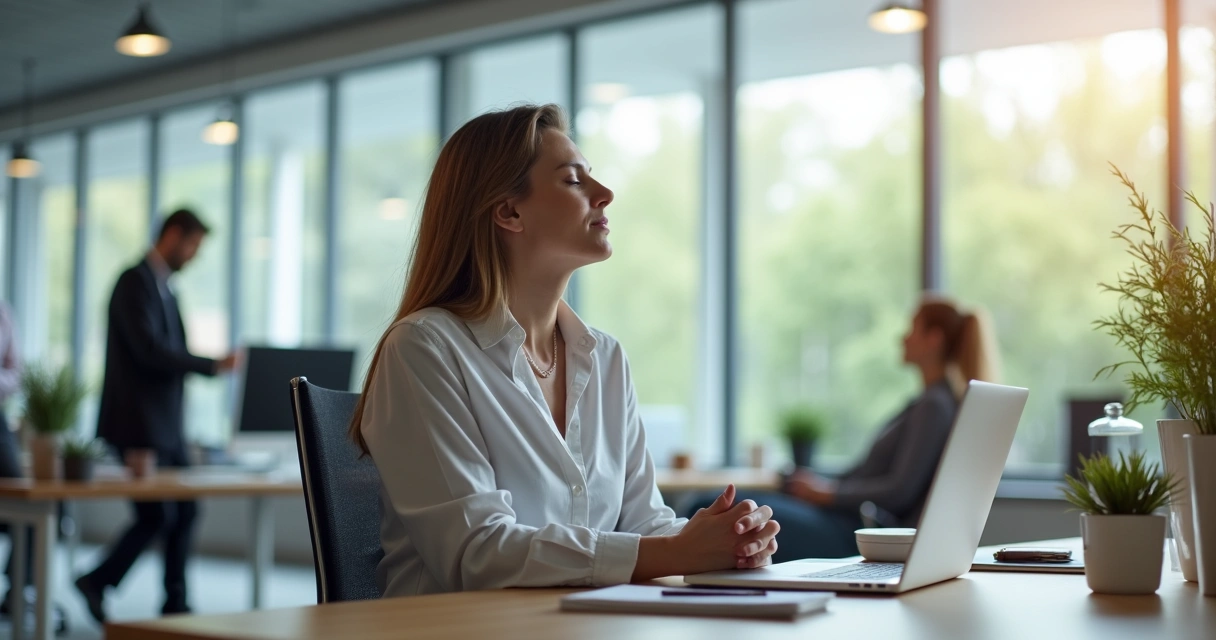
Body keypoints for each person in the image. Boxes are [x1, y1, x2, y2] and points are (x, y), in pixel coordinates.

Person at [350, 104, 780, 598]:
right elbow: (477, 552)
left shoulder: (606, 359)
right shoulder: (424, 348)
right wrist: (678, 553)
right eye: (575, 181)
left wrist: (723, 541)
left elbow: (642, 521)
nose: (606, 194)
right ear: (509, 211)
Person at [693, 297, 1000, 563]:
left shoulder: (934, 406)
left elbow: (900, 491)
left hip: (853, 531)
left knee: (709, 505)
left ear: (934, 338)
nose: (903, 338)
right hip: (842, 518)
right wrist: (821, 486)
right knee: (723, 503)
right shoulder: (929, 403)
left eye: (912, 329)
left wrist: (829, 494)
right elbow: (870, 475)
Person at [74, 209, 240, 622]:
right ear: (172, 234)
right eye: (193, 245)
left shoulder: (167, 288)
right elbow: (149, 351)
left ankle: (174, 603)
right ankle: (98, 581)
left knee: (184, 510)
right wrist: (211, 365)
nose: (194, 255)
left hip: (167, 427)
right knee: (158, 514)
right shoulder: (134, 282)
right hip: (139, 428)